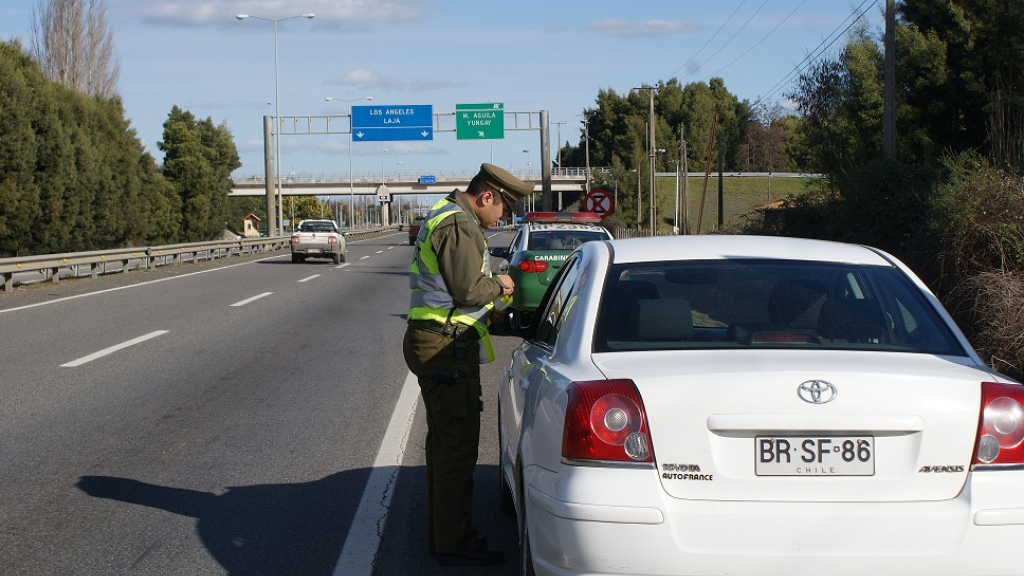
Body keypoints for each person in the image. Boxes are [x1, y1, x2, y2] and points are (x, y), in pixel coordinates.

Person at [403, 163, 532, 567]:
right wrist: (505, 286)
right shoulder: (460, 225)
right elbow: (469, 291)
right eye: (506, 208)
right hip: (444, 344)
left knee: (444, 446)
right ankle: (456, 542)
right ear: (487, 196)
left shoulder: (446, 215)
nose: (505, 217)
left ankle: (444, 537)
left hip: (433, 338)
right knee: (457, 449)